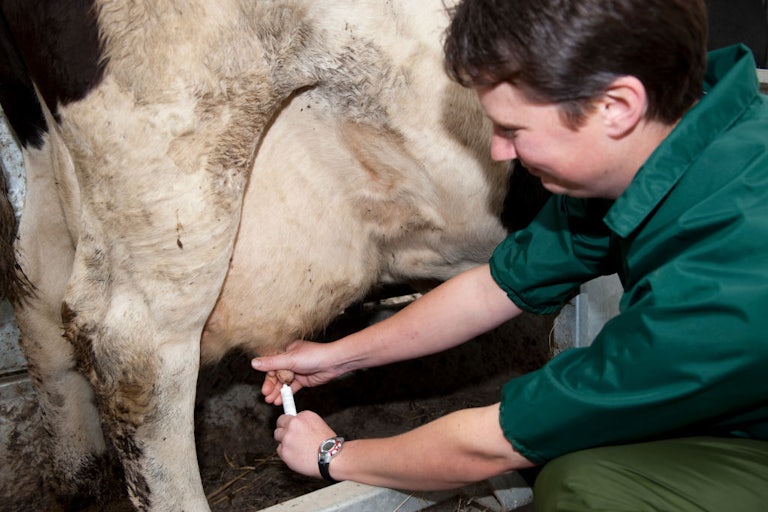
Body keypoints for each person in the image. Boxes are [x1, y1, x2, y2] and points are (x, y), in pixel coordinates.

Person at [251, 0, 768, 509]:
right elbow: (493, 287)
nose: (500, 151)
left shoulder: (730, 271)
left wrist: (331, 455)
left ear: (616, 107)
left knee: (583, 487)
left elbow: (491, 444)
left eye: (514, 130)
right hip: (738, 405)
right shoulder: (666, 142)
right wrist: (338, 358)